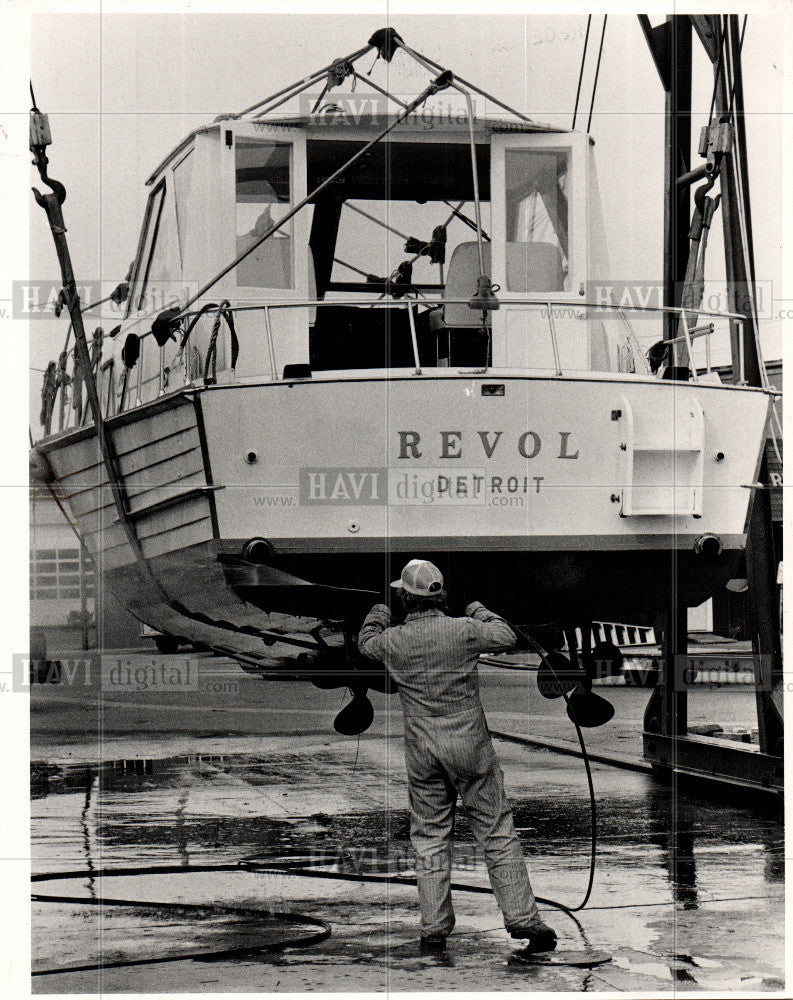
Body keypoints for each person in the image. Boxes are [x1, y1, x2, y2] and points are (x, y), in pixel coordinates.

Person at [358, 558, 557, 953]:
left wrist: (378, 612)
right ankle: (523, 920)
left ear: (404, 598)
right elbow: (505, 635)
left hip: (423, 754)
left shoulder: (393, 641)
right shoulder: (464, 631)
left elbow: (365, 644)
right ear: (440, 594)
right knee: (497, 832)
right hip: (470, 748)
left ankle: (434, 927)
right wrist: (476, 608)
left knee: (430, 838)